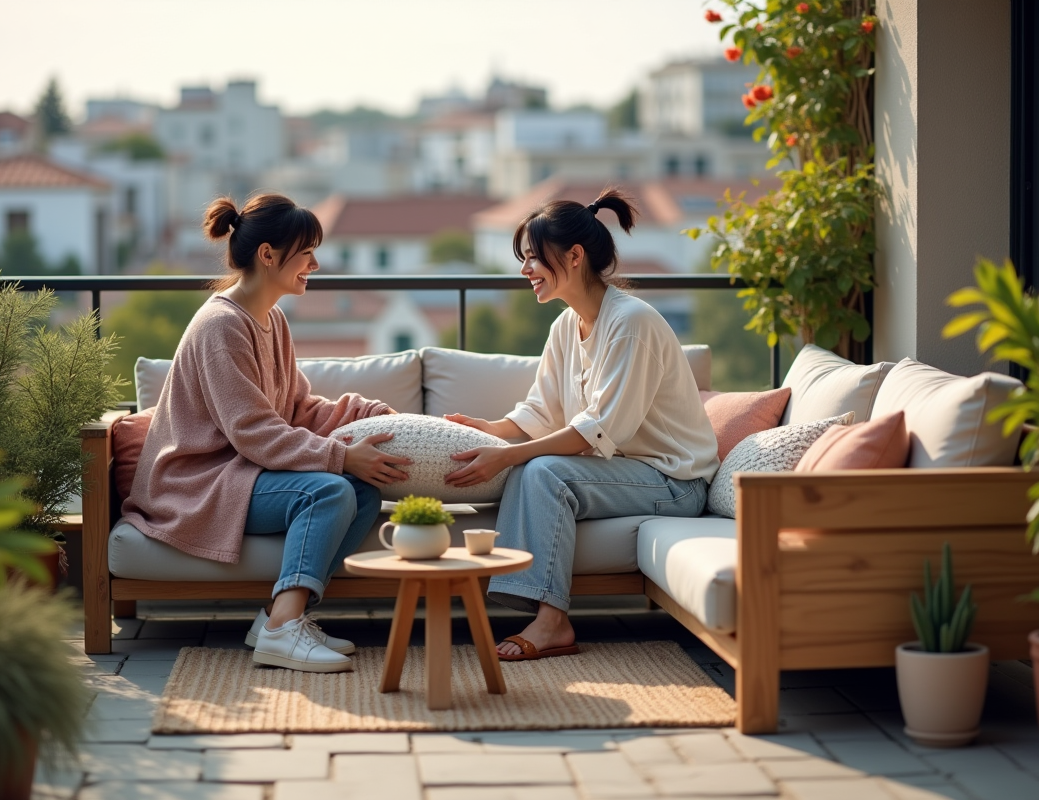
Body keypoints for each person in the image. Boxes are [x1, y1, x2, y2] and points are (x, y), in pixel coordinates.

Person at [121, 193, 411, 673]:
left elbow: (297, 408)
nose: (315, 265)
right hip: (197, 483)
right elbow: (254, 432)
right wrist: (341, 456)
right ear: (268, 255)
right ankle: (281, 632)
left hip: (241, 473)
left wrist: (367, 415)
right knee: (329, 491)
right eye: (307, 253)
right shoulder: (222, 327)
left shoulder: (271, 319)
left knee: (363, 491)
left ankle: (277, 618)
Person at [444, 188, 719, 660]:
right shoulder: (564, 327)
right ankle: (535, 610)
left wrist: (507, 455)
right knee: (533, 467)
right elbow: (541, 412)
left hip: (675, 481)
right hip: (624, 473)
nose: (525, 269)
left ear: (574, 256)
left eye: (534, 257)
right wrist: (490, 429)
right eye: (523, 258)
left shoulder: (631, 323)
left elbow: (598, 429)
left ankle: (553, 622)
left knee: (543, 471)